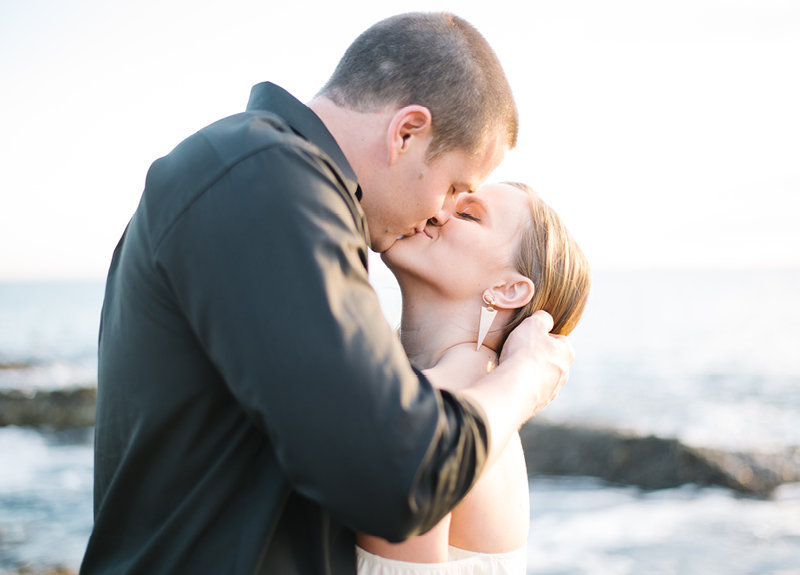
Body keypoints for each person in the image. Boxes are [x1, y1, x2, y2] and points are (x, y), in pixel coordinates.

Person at [81, 13, 574, 575]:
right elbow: (397, 476)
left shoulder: (262, 178)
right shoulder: (269, 183)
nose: (440, 213)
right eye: (455, 187)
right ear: (406, 133)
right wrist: (525, 380)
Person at [355, 182, 591, 574]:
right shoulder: (462, 400)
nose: (435, 209)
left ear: (508, 289)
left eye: (467, 214)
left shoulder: (438, 407)